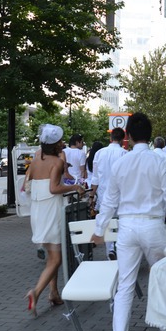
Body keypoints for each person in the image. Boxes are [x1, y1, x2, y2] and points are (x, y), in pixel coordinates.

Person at [90, 112, 166, 331]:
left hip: (127, 228)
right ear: (151, 135)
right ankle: (164, 322)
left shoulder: (120, 164)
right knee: (160, 276)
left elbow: (109, 201)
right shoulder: (161, 162)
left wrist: (99, 229)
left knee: (125, 285)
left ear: (129, 136)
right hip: (154, 226)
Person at [24, 124, 86, 317]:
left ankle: (54, 293)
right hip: (51, 209)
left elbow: (28, 183)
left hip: (37, 210)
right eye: (60, 141)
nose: (63, 143)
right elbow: (54, 188)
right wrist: (75, 187)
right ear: (55, 144)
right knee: (56, 259)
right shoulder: (57, 162)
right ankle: (36, 292)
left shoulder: (35, 160)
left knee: (51, 255)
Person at [92, 127, 127, 260]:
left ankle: (110, 250)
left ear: (110, 138)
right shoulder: (124, 154)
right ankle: (119, 248)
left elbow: (95, 177)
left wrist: (92, 195)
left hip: (103, 193)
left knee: (106, 221)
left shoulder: (99, 153)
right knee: (120, 223)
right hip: (120, 194)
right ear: (123, 139)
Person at [86, 141, 105, 217]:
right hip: (99, 185)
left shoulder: (88, 160)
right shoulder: (101, 158)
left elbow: (85, 173)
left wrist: (91, 196)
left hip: (90, 184)